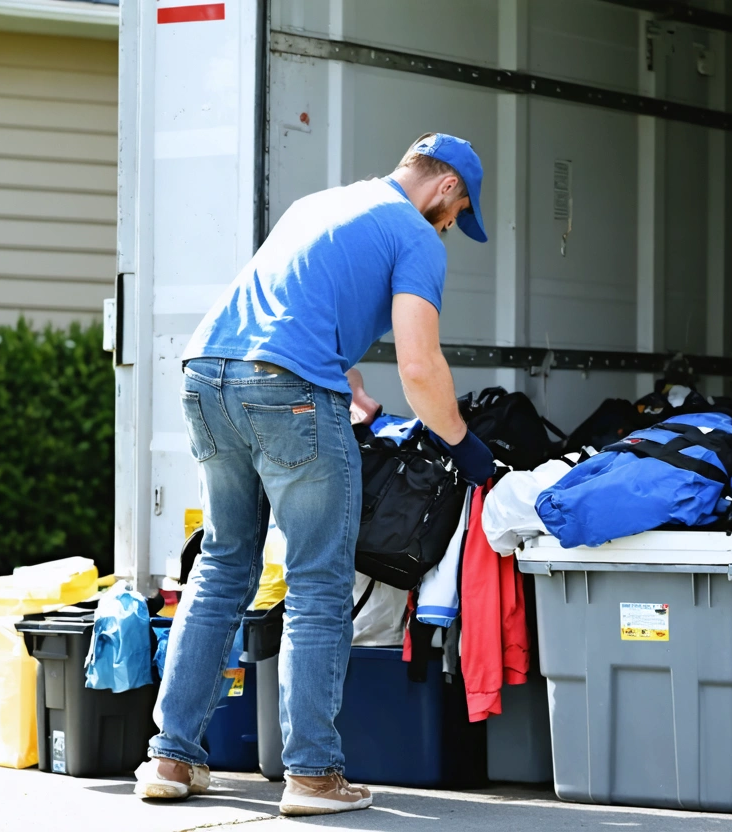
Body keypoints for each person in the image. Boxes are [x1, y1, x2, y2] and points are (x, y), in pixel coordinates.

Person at [134, 133, 497, 816]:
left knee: (221, 567)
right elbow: (420, 368)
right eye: (457, 214)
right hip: (289, 392)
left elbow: (291, 307)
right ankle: (312, 775)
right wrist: (468, 450)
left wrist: (349, 388)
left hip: (207, 375)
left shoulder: (322, 206)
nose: (449, 229)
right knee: (318, 580)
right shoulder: (415, 239)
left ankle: (170, 757)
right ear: (444, 188)